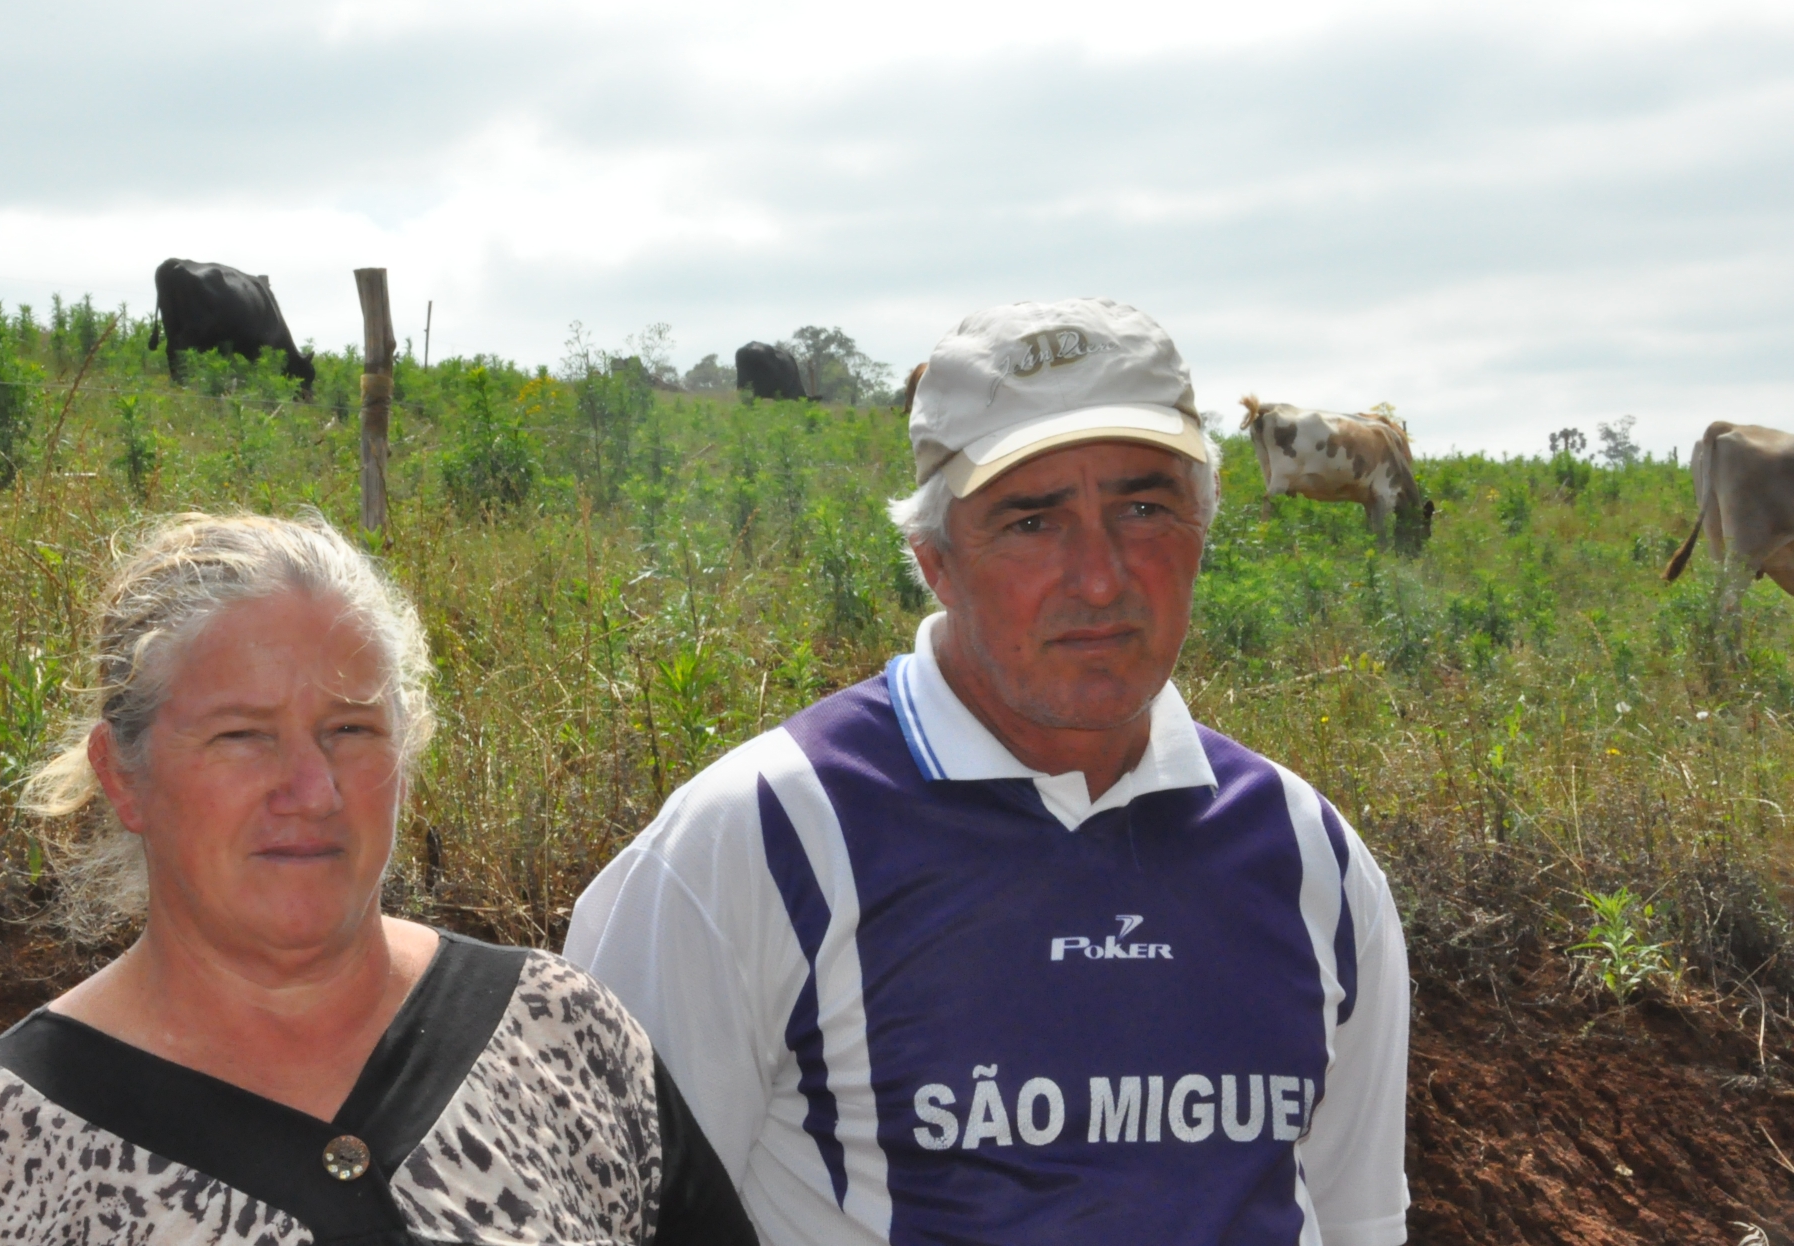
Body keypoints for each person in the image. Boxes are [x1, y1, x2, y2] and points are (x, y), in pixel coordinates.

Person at [565, 300, 1410, 1246]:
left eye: (1143, 508)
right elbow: (604, 1220)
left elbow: (1359, 1217)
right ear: (935, 562)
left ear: (1204, 531)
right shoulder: (757, 839)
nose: (1100, 577)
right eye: (1032, 521)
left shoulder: (1311, 855)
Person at [0, 512, 754, 1246]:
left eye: (351, 730)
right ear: (123, 778)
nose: (311, 791)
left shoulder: (564, 1035)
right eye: (241, 735)